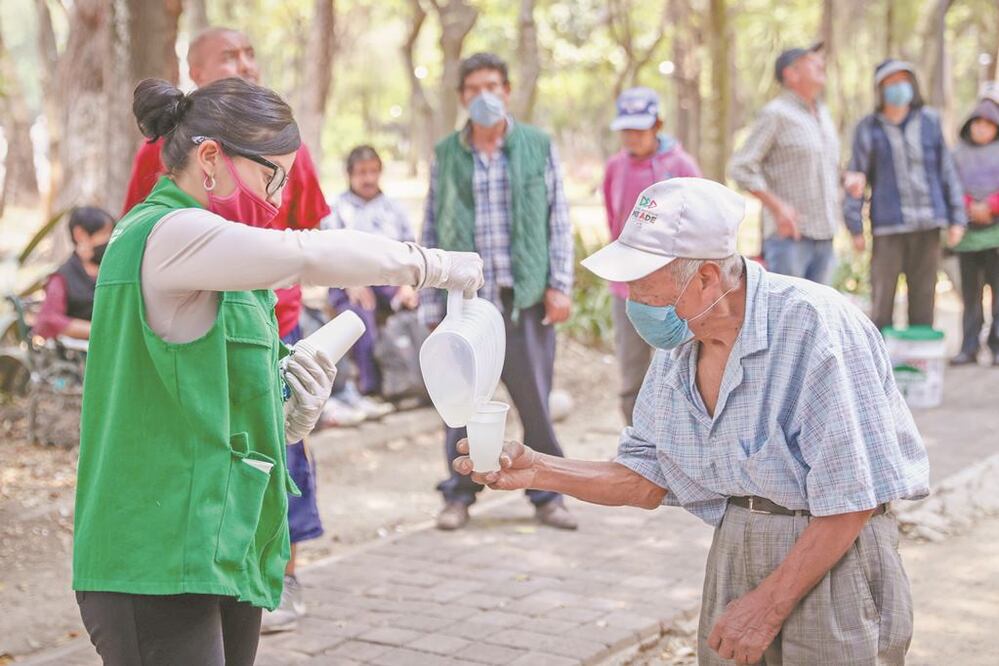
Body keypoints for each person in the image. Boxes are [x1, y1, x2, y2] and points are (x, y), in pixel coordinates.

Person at [73, 77, 483, 666]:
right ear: (210, 157)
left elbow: (199, 387)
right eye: (271, 176)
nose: (275, 197)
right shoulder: (166, 233)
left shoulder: (222, 256)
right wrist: (431, 264)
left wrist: (284, 415)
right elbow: (306, 254)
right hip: (153, 555)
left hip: (219, 541)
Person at [455, 178, 929, 665]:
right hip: (738, 545)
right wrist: (538, 469)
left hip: (833, 557)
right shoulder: (682, 341)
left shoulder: (816, 326)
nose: (631, 297)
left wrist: (766, 607)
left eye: (642, 282)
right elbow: (646, 478)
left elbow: (852, 499)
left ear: (705, 278)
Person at [119, 26, 331, 632]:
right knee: (210, 444)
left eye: (249, 52)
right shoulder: (158, 151)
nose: (245, 63)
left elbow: (312, 233)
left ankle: (282, 569)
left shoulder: (286, 146)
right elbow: (140, 232)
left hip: (275, 324)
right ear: (196, 71)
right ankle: (203, 568)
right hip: (190, 329)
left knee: (284, 437)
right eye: (228, 57)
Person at [420, 52, 576, 531]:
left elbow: (559, 219)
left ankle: (548, 495)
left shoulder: (535, 145)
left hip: (522, 297)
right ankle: (459, 493)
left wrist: (560, 284)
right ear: (463, 97)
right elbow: (431, 221)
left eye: (493, 85)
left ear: (507, 91)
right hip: (466, 305)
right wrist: (430, 297)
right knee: (460, 402)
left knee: (535, 403)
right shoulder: (448, 153)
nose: (484, 96)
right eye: (473, 89)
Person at [844, 59, 967, 332]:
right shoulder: (868, 128)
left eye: (903, 80)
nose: (898, 87)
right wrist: (854, 225)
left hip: (929, 223)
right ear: (880, 89)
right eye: (891, 82)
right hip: (889, 225)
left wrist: (957, 217)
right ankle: (879, 362)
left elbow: (947, 171)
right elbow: (857, 177)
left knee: (924, 296)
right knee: (882, 297)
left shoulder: (930, 121)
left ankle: (919, 365)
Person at [603, 87, 702, 424]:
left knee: (679, 363)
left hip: (676, 287)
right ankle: (636, 439)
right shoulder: (615, 167)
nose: (632, 137)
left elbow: (701, 217)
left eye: (639, 130)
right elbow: (612, 218)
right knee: (632, 369)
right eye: (626, 130)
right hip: (628, 286)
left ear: (657, 125)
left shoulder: (680, 164)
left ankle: (680, 436)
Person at [729, 43, 855, 284]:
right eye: (812, 61)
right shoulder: (776, 114)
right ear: (791, 73)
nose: (821, 65)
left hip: (826, 237)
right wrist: (778, 208)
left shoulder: (823, 114)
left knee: (818, 318)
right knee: (786, 319)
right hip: (790, 240)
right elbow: (740, 167)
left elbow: (823, 165)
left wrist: (846, 178)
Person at [323, 145, 418, 410]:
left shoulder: (393, 209)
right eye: (362, 172)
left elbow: (410, 250)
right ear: (350, 174)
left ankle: (417, 382)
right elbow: (329, 254)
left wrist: (408, 286)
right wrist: (351, 282)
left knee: (422, 308)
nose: (368, 179)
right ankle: (371, 388)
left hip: (390, 280)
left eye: (373, 172)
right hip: (350, 282)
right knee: (358, 316)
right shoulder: (336, 209)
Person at [950, 95, 999, 365]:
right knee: (970, 296)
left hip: (996, 235)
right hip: (967, 236)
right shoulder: (957, 154)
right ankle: (969, 346)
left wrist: (991, 206)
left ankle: (997, 346)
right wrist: (969, 206)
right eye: (976, 123)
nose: (981, 128)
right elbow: (951, 184)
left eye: (988, 123)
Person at [33, 207, 114, 341]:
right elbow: (50, 319)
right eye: (104, 233)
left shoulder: (111, 271)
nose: (109, 239)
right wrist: (99, 331)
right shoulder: (62, 277)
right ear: (80, 234)